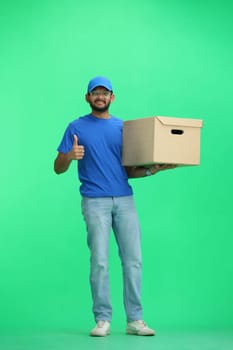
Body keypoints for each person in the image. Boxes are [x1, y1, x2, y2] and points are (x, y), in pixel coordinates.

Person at [54, 76, 176, 337]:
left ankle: (135, 320)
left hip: (124, 201)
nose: (100, 96)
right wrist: (69, 156)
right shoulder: (75, 127)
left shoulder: (124, 128)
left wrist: (153, 170)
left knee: (133, 261)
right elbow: (58, 168)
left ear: (112, 97)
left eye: (104, 92)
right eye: (94, 92)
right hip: (94, 201)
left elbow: (128, 171)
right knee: (99, 261)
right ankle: (102, 320)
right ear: (87, 98)